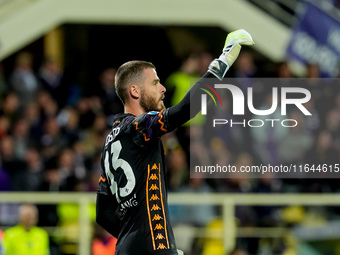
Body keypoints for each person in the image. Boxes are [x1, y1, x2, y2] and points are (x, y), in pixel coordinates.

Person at [96, 29, 254, 255]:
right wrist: (222, 61)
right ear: (134, 91)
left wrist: (135, 238)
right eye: (155, 83)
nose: (163, 88)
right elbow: (184, 110)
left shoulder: (111, 141)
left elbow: (103, 214)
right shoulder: (139, 126)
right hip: (154, 246)